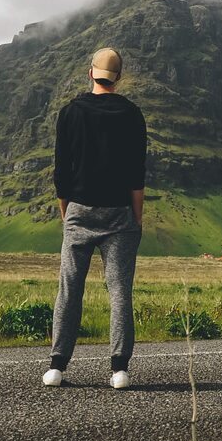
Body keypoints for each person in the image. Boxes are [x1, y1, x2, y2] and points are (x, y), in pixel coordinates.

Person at [43, 47, 147, 389]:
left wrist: (67, 214)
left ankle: (57, 366)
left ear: (91, 73)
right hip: (120, 215)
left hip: (79, 212)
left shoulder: (70, 112)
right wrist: (136, 218)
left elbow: (62, 173)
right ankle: (119, 369)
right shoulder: (132, 114)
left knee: (69, 290)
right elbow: (136, 174)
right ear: (119, 78)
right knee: (119, 291)